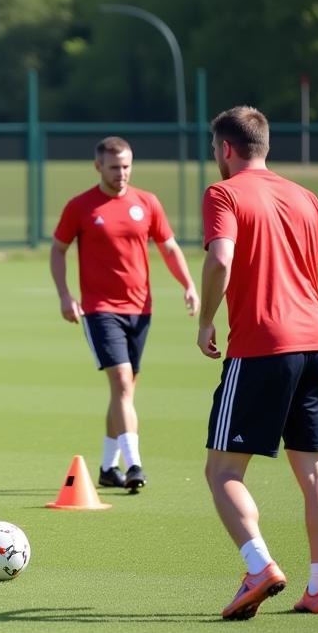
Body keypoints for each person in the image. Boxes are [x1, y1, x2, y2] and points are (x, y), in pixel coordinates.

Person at [199, 106, 318, 620]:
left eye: (216, 150)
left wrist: (206, 320)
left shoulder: (224, 193)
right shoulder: (303, 196)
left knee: (223, 469)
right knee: (315, 471)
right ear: (267, 146)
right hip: (317, 346)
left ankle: (258, 565)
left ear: (226, 149)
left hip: (261, 347)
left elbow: (220, 259)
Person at [49, 136, 198, 492]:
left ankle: (106, 467)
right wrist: (65, 295)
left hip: (141, 309)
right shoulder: (81, 206)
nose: (122, 174)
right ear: (98, 166)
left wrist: (188, 284)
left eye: (127, 166)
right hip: (100, 310)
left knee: (125, 391)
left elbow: (169, 247)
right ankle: (134, 464)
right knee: (120, 382)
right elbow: (58, 250)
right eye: (115, 167)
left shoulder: (147, 202)